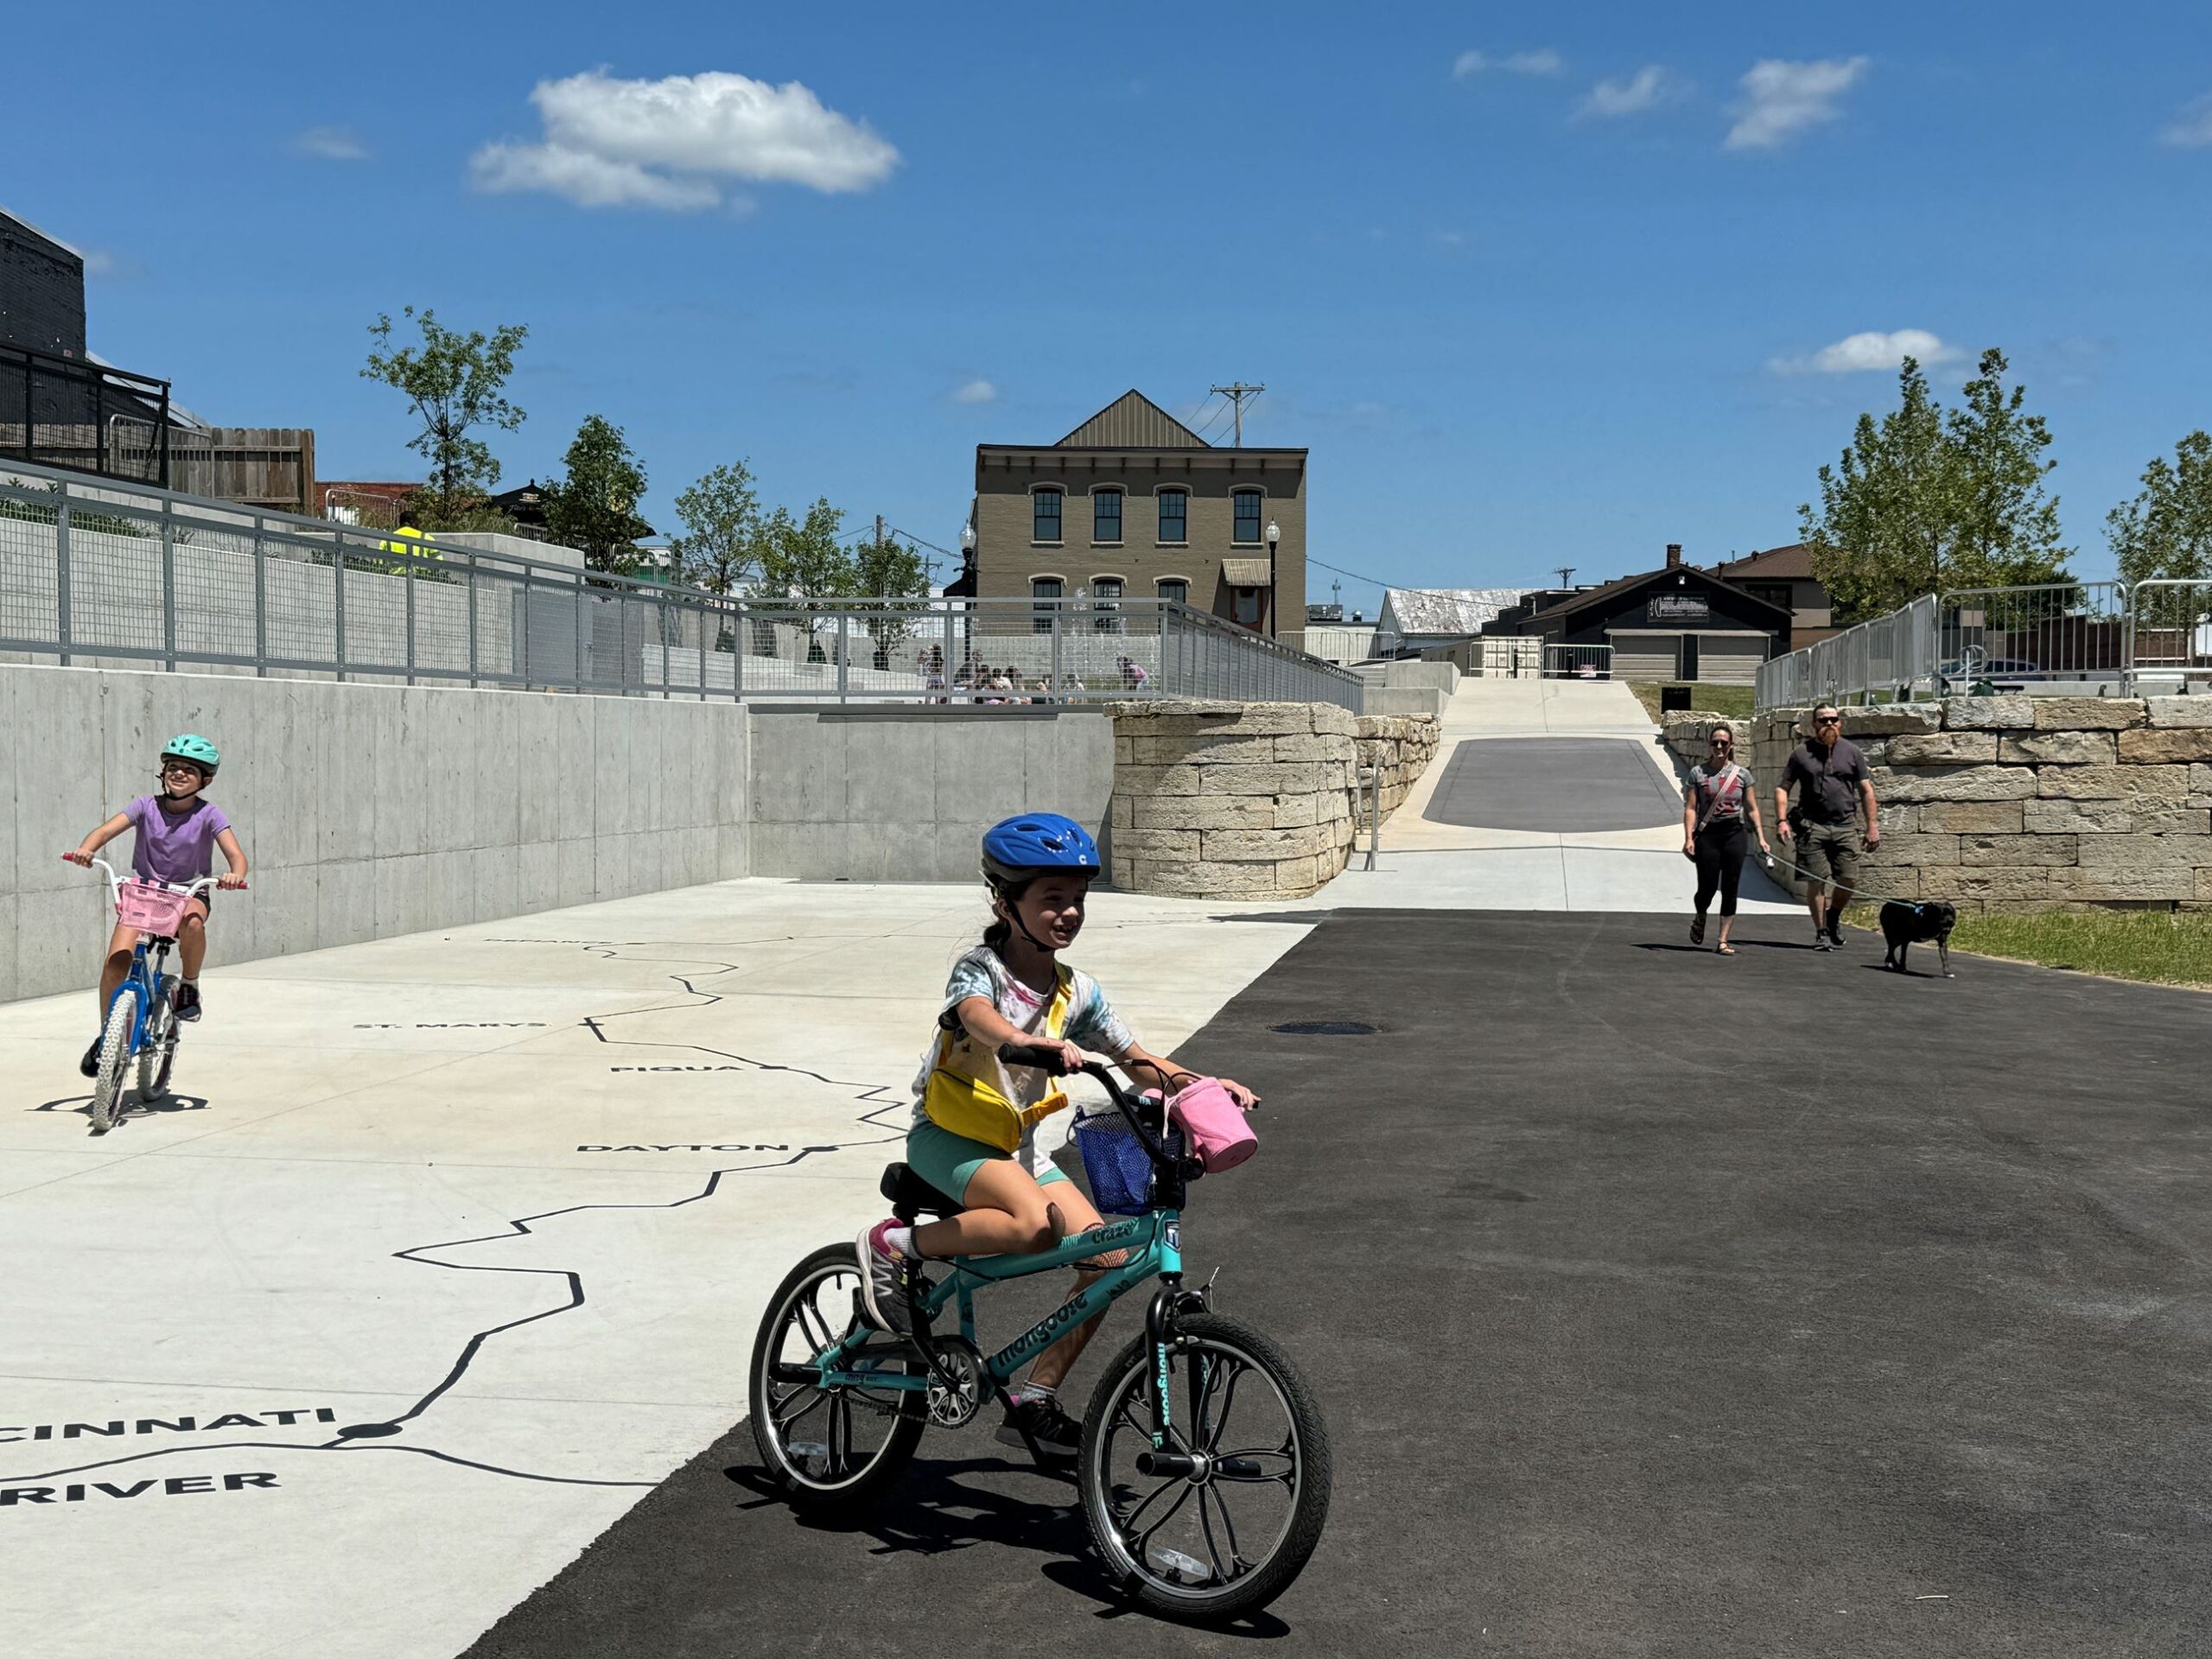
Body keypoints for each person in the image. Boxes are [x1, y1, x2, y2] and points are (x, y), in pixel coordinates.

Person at [855, 813, 1260, 1462]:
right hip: (949, 1139)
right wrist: (1023, 1042)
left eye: (1077, 901)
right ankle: (894, 1245)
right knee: (1037, 1225)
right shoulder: (979, 971)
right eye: (1051, 900)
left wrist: (1201, 1083)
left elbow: (1136, 1057)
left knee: (1109, 1258)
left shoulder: (1077, 991)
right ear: (1005, 900)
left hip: (1017, 1149)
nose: (1068, 913)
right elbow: (976, 1018)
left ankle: (1036, 1399)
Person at [65, 734, 249, 1075]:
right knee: (115, 964)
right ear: (163, 773)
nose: (179, 774)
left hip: (189, 891)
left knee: (193, 924)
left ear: (204, 780)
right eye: (173, 768)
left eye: (189, 771)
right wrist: (86, 849)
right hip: (145, 892)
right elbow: (105, 832)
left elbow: (236, 855)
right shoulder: (145, 806)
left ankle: (189, 985)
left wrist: (235, 875)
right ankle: (108, 1035)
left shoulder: (209, 814)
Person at [1775, 703, 1881, 950]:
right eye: (1823, 720)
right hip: (1812, 827)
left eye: (1834, 719)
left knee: (1849, 878)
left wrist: (1872, 826)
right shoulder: (1801, 754)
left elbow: (1866, 790)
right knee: (1817, 880)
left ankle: (1833, 916)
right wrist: (1781, 820)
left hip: (1845, 826)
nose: (1829, 724)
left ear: (1840, 722)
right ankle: (1821, 931)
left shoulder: (1852, 752)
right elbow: (1783, 787)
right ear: (1814, 724)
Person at [1681, 723, 1770, 956]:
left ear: (1731, 745)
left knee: (1731, 887)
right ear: (1709, 746)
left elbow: (1751, 809)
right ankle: (1701, 914)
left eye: (1724, 743)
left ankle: (1722, 940)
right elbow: (1691, 808)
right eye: (1715, 743)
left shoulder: (1743, 775)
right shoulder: (1697, 773)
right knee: (1707, 887)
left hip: (1734, 833)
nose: (1719, 746)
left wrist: (1761, 837)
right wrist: (1689, 838)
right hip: (1708, 835)